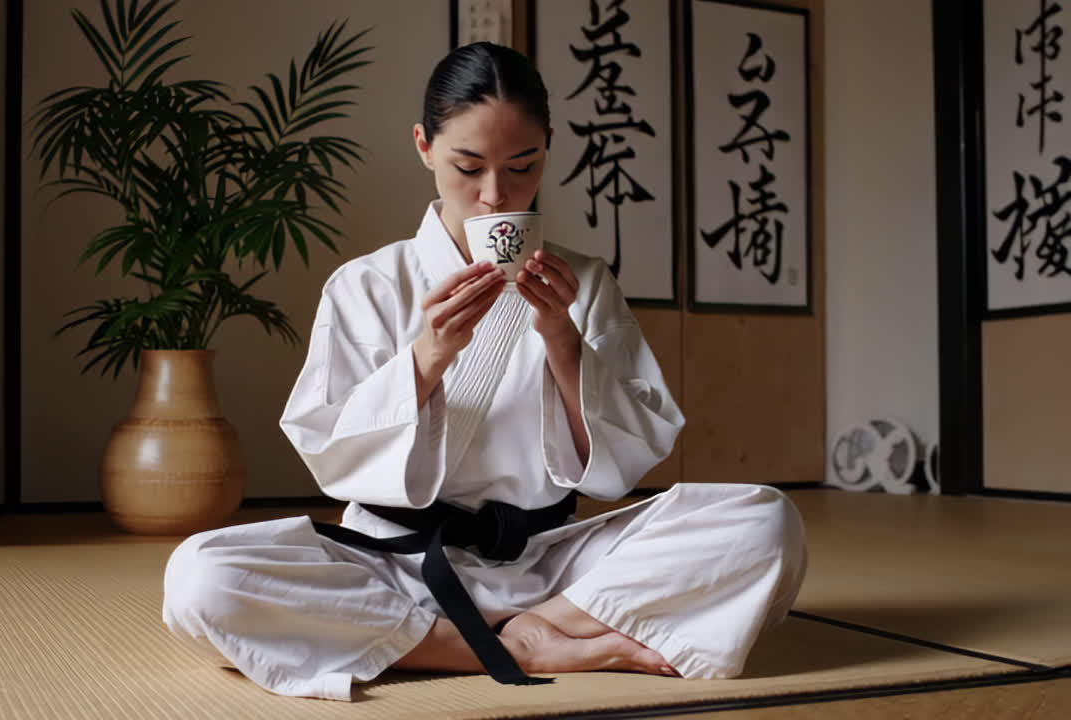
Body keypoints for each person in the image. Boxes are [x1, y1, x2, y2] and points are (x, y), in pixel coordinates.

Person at [162, 41, 807, 702]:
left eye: (523, 166)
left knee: (764, 522)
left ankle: (527, 625)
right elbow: (329, 449)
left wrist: (562, 338)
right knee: (202, 577)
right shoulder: (366, 285)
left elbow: (624, 459)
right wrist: (429, 354)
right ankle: (514, 644)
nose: (496, 195)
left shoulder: (583, 283)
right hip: (394, 564)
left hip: (554, 560)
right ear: (424, 146)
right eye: (468, 166)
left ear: (547, 150)